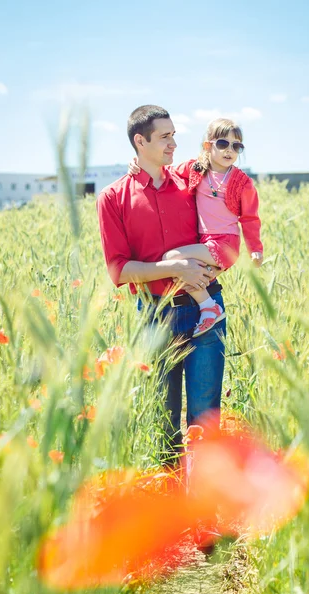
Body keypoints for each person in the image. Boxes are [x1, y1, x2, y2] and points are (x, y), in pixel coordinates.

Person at [96, 105, 226, 459]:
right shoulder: (113, 198)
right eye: (165, 136)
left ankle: (208, 511)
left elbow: (224, 223)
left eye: (174, 135)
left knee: (205, 419)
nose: (174, 143)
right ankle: (169, 507)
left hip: (206, 312)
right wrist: (176, 270)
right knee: (163, 419)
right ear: (140, 141)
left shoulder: (192, 183)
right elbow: (119, 271)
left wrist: (211, 262)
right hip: (155, 317)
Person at [129, 117, 263, 337]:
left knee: (171, 258)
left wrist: (255, 248)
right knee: (187, 271)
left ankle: (209, 306)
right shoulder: (196, 169)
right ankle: (208, 307)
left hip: (225, 243)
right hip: (205, 244)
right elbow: (165, 172)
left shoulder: (242, 182)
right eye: (223, 144)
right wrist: (137, 164)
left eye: (236, 146)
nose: (230, 150)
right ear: (208, 146)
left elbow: (250, 218)